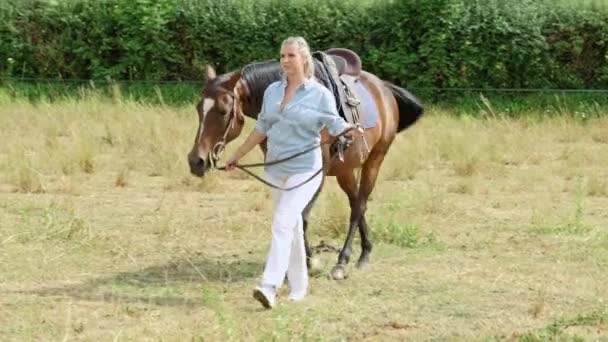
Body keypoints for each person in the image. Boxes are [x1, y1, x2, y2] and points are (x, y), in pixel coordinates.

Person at [225, 36, 362, 309]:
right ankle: (299, 287)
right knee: (293, 226)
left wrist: (348, 129)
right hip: (276, 168)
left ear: (304, 59)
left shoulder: (319, 93)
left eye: (291, 56)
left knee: (282, 222)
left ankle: (269, 285)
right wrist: (237, 155)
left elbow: (333, 122)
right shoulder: (273, 91)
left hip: (306, 169)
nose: (285, 60)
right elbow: (262, 127)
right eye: (282, 56)